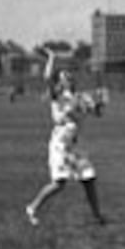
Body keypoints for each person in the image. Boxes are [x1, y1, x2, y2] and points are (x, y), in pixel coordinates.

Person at [25, 49, 106, 226]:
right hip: (60, 144)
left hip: (76, 145)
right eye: (63, 77)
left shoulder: (81, 98)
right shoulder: (58, 97)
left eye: (69, 76)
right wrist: (52, 59)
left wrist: (99, 102)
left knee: (89, 180)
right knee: (59, 183)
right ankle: (32, 207)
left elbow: (98, 112)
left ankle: (97, 215)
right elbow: (47, 77)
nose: (67, 78)